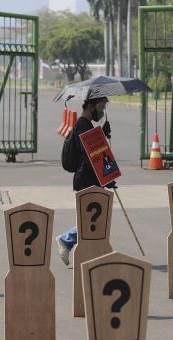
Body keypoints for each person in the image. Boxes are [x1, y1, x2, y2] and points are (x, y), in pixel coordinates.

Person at [55, 96, 114, 265]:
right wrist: (106, 175)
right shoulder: (82, 126)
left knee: (95, 220)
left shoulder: (86, 126)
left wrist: (101, 133)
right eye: (100, 107)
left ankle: (94, 254)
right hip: (86, 181)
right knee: (92, 221)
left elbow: (93, 153)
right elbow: (91, 157)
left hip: (89, 179)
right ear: (90, 106)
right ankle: (66, 240)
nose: (102, 111)